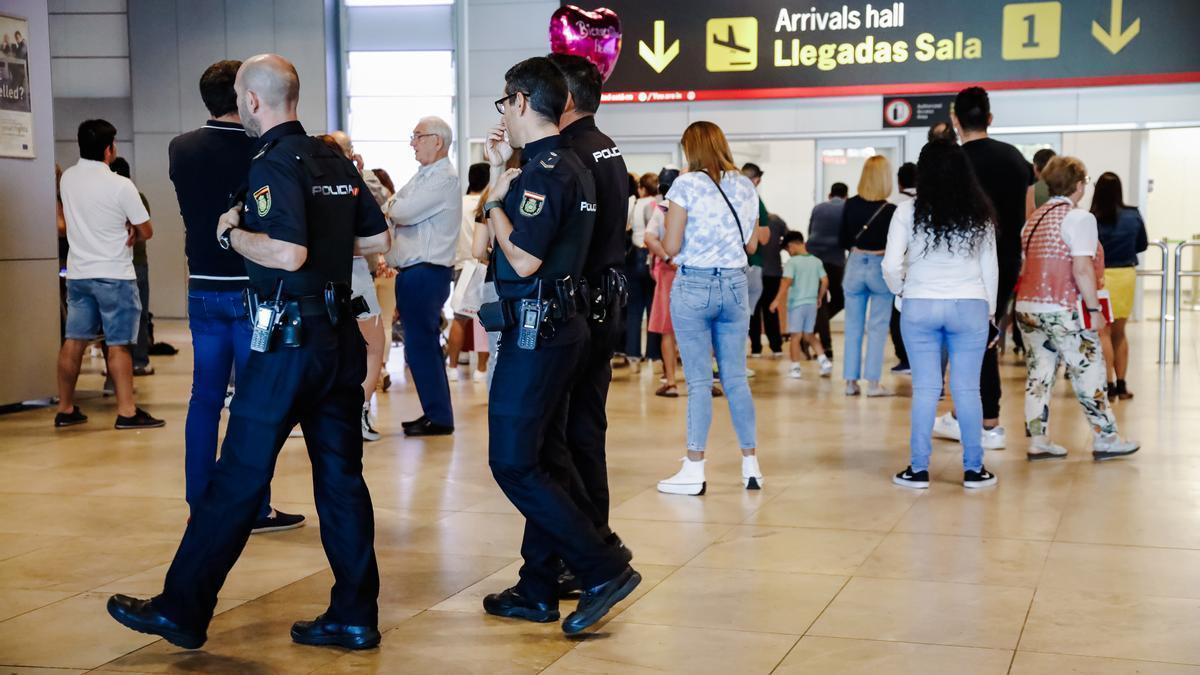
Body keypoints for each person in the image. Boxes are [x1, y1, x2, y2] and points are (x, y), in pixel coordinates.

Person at [106, 54, 390, 651]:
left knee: (236, 476)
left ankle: (182, 609)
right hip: (338, 340)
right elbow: (377, 238)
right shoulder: (333, 156)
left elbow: (287, 254)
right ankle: (355, 613)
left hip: (288, 343)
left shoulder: (272, 162)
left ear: (254, 101)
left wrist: (230, 232)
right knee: (341, 480)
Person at [478, 56, 639, 636]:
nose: (504, 112)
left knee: (516, 462)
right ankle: (544, 584)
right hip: (564, 323)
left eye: (504, 102)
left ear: (521, 102)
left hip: (542, 328)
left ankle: (601, 565)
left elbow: (522, 256)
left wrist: (496, 201)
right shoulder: (578, 159)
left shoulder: (550, 169)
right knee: (548, 455)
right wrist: (502, 175)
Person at [167, 60, 304, 533]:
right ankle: (254, 506)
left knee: (203, 398)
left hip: (202, 285)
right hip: (253, 288)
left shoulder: (181, 148)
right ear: (248, 96)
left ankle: (198, 503)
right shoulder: (261, 148)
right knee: (252, 404)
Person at [546, 51, 633, 592]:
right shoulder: (606, 146)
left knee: (563, 434)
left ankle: (583, 551)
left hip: (582, 301)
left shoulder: (573, 153)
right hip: (606, 297)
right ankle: (594, 538)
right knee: (584, 429)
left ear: (568, 98)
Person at [884, 140, 1000, 490]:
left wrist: (901, 292)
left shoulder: (906, 212)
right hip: (970, 305)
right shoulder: (979, 213)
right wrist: (990, 313)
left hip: (920, 303)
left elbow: (890, 265)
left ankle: (918, 470)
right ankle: (974, 470)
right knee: (967, 389)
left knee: (926, 389)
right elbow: (989, 269)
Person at [655, 121, 763, 496]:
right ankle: (751, 465)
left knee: (700, 382)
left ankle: (694, 468)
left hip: (696, 285)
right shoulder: (746, 185)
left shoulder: (685, 185)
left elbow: (670, 245)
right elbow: (751, 246)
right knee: (735, 379)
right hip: (735, 285)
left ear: (692, 149)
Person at [1014, 156, 1139, 462]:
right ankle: (1106, 438)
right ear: (1079, 184)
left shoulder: (1034, 219)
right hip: (1063, 307)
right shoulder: (1078, 218)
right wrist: (1094, 309)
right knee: (1088, 370)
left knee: (1039, 375)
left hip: (1029, 307)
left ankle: (1038, 440)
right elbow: (1082, 268)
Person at [933, 86, 1034, 450]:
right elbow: (1025, 213)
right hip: (1006, 259)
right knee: (987, 334)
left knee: (968, 337)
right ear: (989, 118)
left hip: (964, 260)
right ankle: (978, 417)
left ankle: (983, 420)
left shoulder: (953, 161)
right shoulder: (1015, 159)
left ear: (956, 120)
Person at [55, 119, 163, 431]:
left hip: (78, 274)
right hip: (115, 274)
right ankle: (127, 412)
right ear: (109, 149)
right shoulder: (120, 184)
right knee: (119, 344)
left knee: (73, 340)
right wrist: (131, 228)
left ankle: (65, 408)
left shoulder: (69, 180)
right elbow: (147, 230)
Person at [384, 116, 462, 437]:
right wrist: (394, 206)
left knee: (422, 346)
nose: (412, 143)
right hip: (416, 272)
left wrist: (395, 207)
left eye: (418, 136)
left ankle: (439, 416)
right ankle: (435, 412)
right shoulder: (425, 175)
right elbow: (394, 203)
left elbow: (399, 211)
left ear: (437, 141)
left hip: (426, 272)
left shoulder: (443, 178)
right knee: (419, 346)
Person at [325, 130, 388, 441]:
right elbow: (381, 218)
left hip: (318, 277)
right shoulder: (348, 184)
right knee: (373, 346)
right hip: (354, 275)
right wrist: (358, 174)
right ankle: (358, 412)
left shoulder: (305, 183)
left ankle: (337, 414)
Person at [838, 155, 896, 397]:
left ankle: (850, 383)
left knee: (852, 326)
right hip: (879, 266)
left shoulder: (850, 204)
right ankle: (873, 383)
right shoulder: (891, 210)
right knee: (878, 326)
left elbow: (842, 240)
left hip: (854, 264)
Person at [1091, 171, 1148, 400]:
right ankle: (1123, 384)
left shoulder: (1092, 218)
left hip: (1101, 276)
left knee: (1103, 332)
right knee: (1120, 333)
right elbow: (1142, 244)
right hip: (1125, 275)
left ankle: (1108, 385)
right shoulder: (1133, 215)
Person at [106, 157, 156, 377]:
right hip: (136, 263)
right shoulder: (137, 196)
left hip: (116, 264)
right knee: (140, 314)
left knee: (114, 318)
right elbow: (145, 229)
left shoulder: (108, 196)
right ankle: (138, 362)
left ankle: (116, 367)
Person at [448, 162, 491, 382]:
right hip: (484, 265)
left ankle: (453, 367)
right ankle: (481, 370)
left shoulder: (459, 204)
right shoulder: (488, 204)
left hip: (462, 266)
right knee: (485, 318)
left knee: (459, 318)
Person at [770, 231, 830, 378]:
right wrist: (819, 297)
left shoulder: (793, 262)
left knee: (795, 336)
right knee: (809, 335)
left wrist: (777, 299)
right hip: (811, 304)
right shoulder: (816, 261)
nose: (789, 253)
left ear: (792, 246)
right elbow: (825, 281)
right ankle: (824, 361)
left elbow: (787, 282)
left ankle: (795, 367)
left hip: (796, 304)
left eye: (788, 250)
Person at [743, 163, 787, 359]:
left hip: (750, 268)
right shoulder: (772, 217)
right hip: (768, 270)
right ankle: (776, 347)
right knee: (769, 310)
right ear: (757, 180)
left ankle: (755, 349)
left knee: (751, 312)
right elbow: (765, 238)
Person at [645, 167, 679, 396]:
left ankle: (672, 382)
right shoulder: (694, 207)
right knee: (699, 329)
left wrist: (666, 256)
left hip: (668, 273)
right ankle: (704, 382)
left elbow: (649, 238)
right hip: (693, 272)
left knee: (668, 329)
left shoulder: (662, 209)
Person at [809, 182, 848, 359]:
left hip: (815, 259)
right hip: (836, 260)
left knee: (821, 303)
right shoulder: (847, 207)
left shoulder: (818, 208)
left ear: (829, 194)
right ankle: (821, 343)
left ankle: (818, 340)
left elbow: (810, 231)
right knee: (840, 299)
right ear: (846, 195)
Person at [369, 168, 398, 392]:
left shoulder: (364, 208)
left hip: (367, 266)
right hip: (389, 268)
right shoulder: (393, 207)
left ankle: (372, 369)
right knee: (386, 323)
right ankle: (383, 367)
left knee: (368, 323)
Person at [889, 162, 918, 374]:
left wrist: (896, 286)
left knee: (898, 319)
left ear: (899, 182)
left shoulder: (897, 205)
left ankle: (906, 359)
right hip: (926, 275)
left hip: (904, 273)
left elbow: (891, 259)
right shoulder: (936, 203)